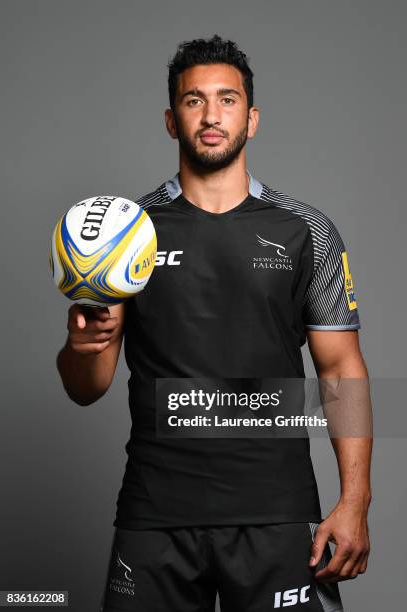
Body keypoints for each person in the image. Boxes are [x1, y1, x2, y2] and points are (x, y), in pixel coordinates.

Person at [57, 34, 372, 612]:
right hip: (156, 515)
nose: (210, 114)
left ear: (251, 119)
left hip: (275, 514)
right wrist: (81, 347)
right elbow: (87, 386)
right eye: (193, 100)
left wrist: (355, 501)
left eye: (227, 100)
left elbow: (340, 369)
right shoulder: (125, 234)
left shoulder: (308, 231)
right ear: (172, 120)